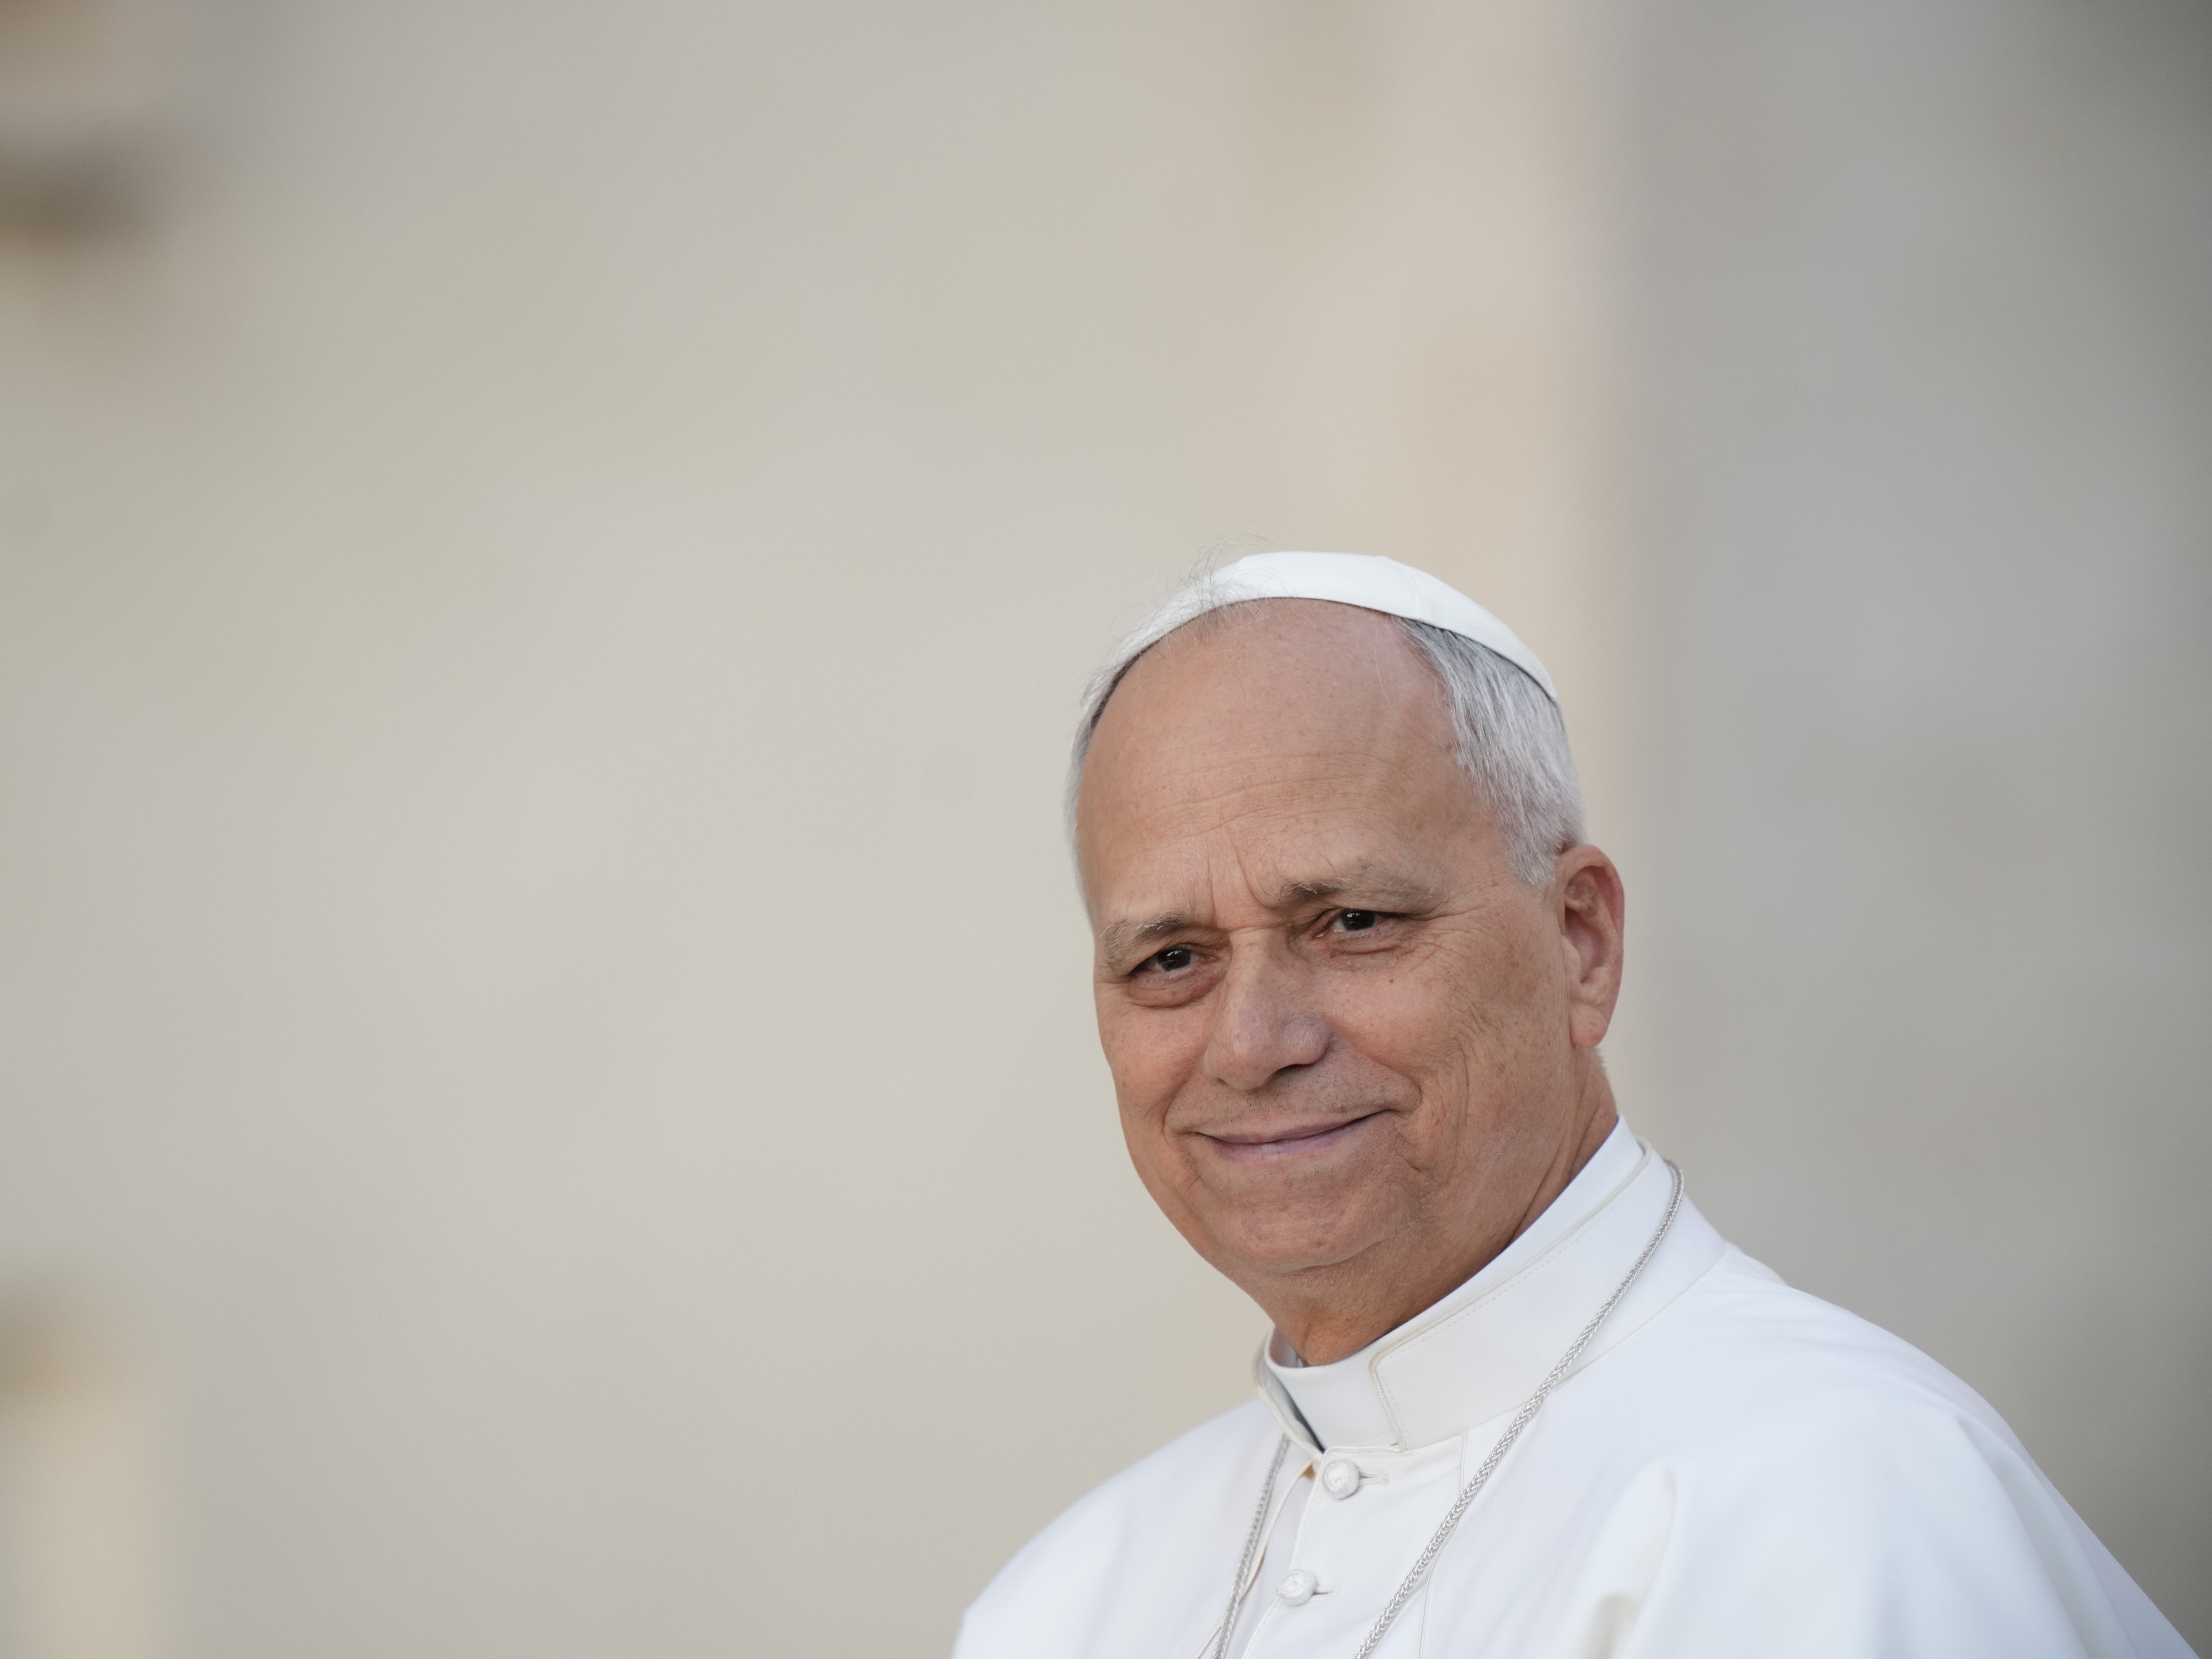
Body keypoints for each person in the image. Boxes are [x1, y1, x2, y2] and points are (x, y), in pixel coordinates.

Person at [952, 552, 2192, 1659]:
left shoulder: (1840, 1499)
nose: (1253, 1043)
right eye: (1170, 959)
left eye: (1353, 922)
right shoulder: (1064, 1605)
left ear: (1580, 944)